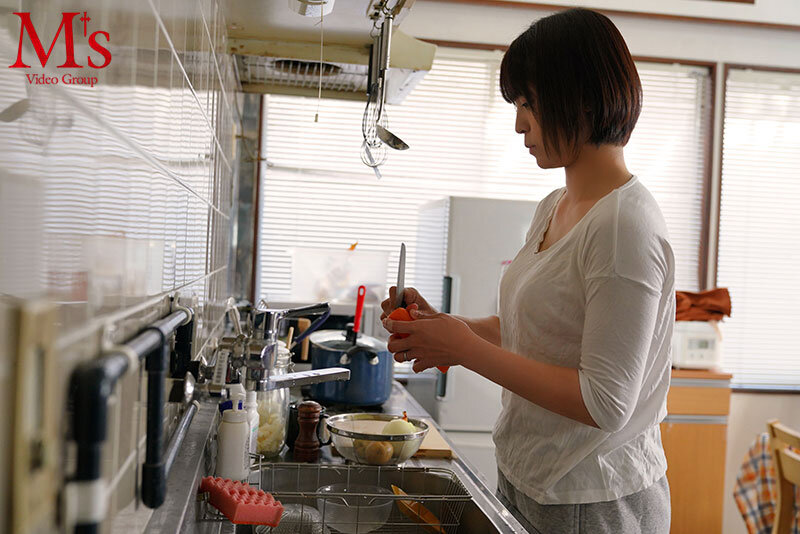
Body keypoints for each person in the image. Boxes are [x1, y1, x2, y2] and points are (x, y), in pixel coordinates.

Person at [381, 8, 674, 534]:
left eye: (528, 102)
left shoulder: (623, 225)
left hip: (592, 498)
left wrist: (463, 351)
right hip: (534, 476)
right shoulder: (556, 205)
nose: (519, 122)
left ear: (579, 97)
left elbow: (605, 401)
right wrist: (444, 327)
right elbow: (534, 334)